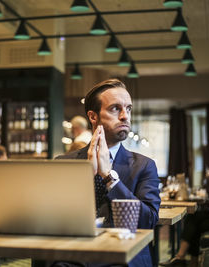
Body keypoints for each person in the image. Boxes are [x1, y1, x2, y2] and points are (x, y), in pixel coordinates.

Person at [56, 79, 161, 267]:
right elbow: (53, 219)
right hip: (75, 256)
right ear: (93, 116)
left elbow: (148, 221)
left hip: (123, 257)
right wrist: (85, 178)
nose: (125, 116)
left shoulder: (144, 166)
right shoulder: (65, 163)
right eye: (115, 109)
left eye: (128, 109)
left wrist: (109, 177)